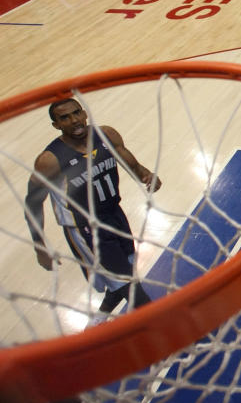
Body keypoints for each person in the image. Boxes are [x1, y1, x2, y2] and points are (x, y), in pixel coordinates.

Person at [24, 99, 159, 316]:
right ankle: (164, 328)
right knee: (131, 288)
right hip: (85, 228)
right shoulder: (50, 160)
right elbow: (32, 202)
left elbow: (132, 165)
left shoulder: (106, 134)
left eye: (77, 113)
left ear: (84, 113)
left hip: (115, 215)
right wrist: (39, 245)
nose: (74, 120)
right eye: (64, 118)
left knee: (126, 274)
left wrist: (146, 175)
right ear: (56, 125)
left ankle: (98, 319)